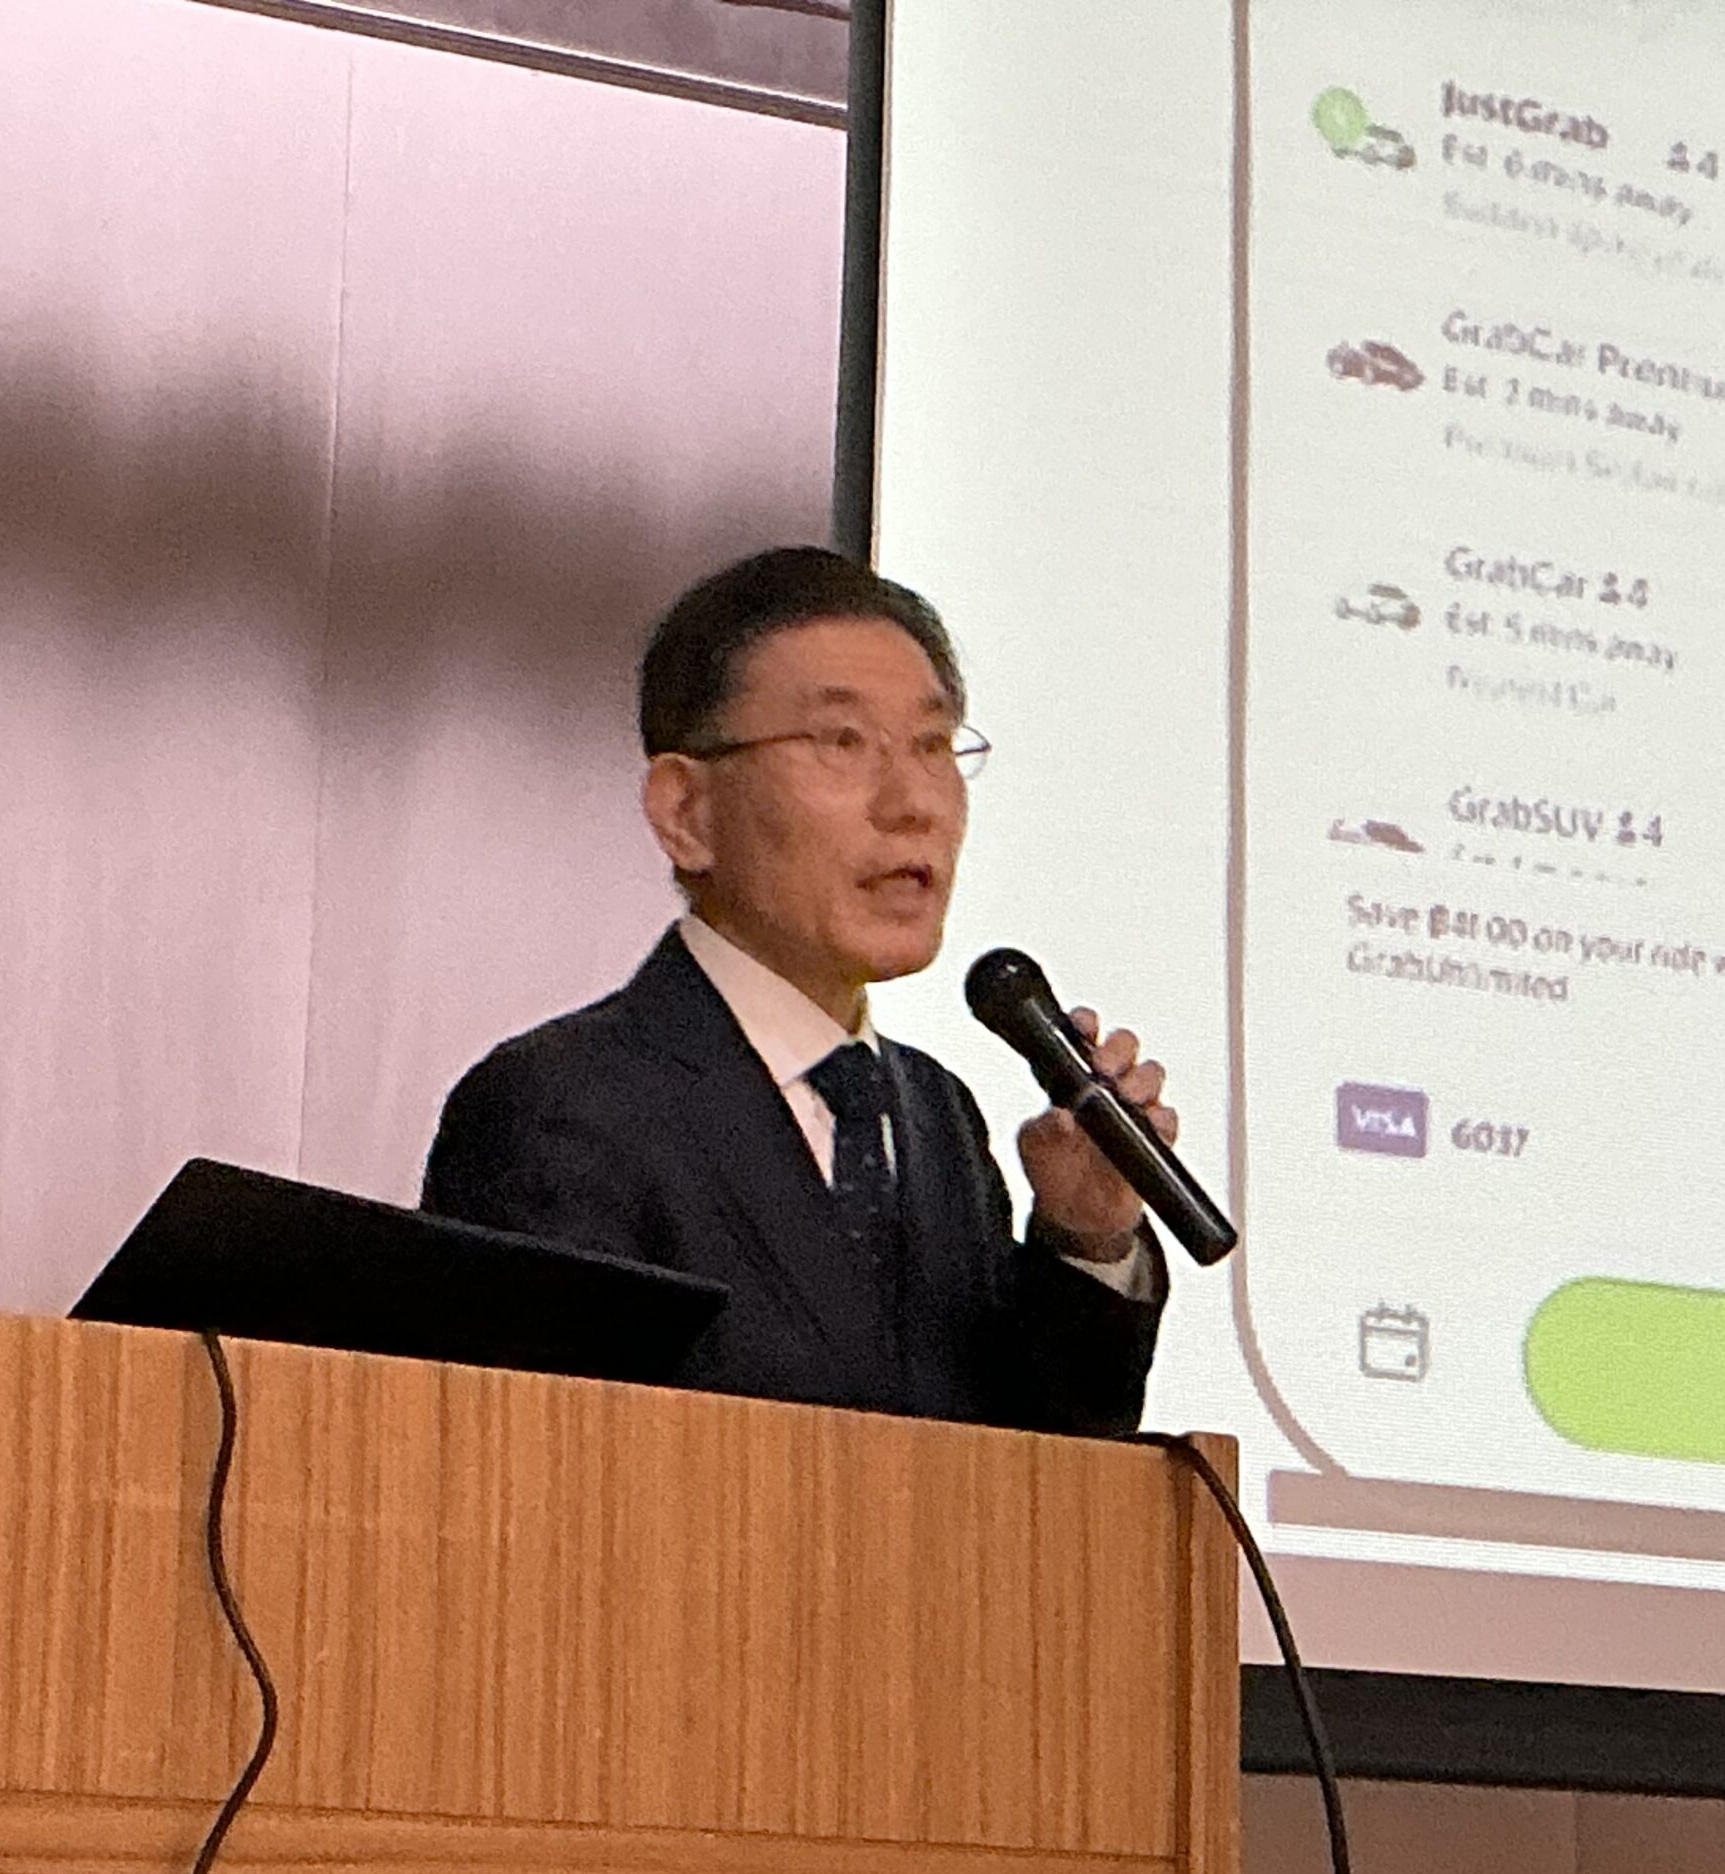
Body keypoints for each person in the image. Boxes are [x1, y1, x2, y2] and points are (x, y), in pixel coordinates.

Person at [422, 547, 1173, 1434]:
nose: (914, 803)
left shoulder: (935, 1115)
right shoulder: (561, 1107)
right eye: (841, 742)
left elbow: (1029, 1475)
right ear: (686, 812)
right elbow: (527, 1466)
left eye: (933, 745)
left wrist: (1085, 1239)